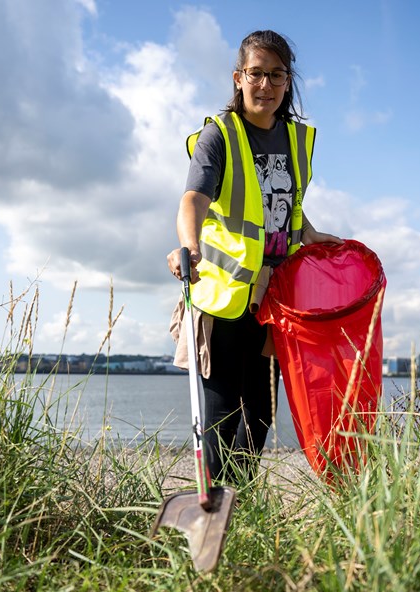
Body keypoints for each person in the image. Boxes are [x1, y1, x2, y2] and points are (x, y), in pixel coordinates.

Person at [166, 29, 341, 484]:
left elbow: (281, 211)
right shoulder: (218, 134)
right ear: (238, 77)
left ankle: (236, 505)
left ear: (288, 80)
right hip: (223, 294)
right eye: (256, 74)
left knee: (261, 412)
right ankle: (215, 503)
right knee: (221, 413)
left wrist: (313, 235)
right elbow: (193, 201)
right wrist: (189, 243)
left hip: (276, 298)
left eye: (276, 75)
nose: (265, 85)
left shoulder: (298, 141)